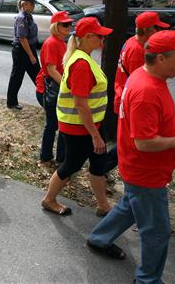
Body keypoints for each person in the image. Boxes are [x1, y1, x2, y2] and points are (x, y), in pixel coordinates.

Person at [87, 30, 175, 284]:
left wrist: (174, 137)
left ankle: (98, 238)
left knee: (130, 205)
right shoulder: (147, 91)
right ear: (160, 59)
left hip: (138, 170)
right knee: (157, 232)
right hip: (145, 173)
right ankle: (147, 279)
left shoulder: (142, 75)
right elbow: (144, 142)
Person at [41, 17, 113, 217]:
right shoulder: (81, 64)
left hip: (90, 125)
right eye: (100, 36)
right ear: (89, 37)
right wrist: (95, 135)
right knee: (71, 165)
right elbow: (80, 104)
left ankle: (103, 205)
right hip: (78, 127)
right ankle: (49, 199)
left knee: (98, 164)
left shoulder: (84, 57)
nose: (103, 40)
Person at [104, 11, 171, 174]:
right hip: (128, 102)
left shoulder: (132, 42)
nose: (159, 32)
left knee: (125, 141)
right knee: (127, 143)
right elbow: (141, 84)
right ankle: (101, 169)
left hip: (123, 97)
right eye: (157, 28)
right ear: (148, 30)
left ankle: (102, 169)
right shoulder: (138, 51)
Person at [35, 11, 72, 164]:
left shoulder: (62, 43)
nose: (69, 27)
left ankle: (57, 157)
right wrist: (68, 86)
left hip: (55, 89)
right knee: (55, 125)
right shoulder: (52, 43)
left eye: (69, 24)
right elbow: (51, 70)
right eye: (65, 24)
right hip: (49, 90)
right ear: (56, 26)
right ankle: (49, 156)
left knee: (58, 125)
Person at [6, 0, 41, 110]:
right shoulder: (22, 18)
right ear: (25, 4)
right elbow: (22, 38)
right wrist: (31, 55)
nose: (33, 6)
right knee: (18, 77)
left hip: (28, 48)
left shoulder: (28, 16)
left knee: (38, 76)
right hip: (22, 50)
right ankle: (11, 102)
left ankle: (46, 100)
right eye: (32, 4)